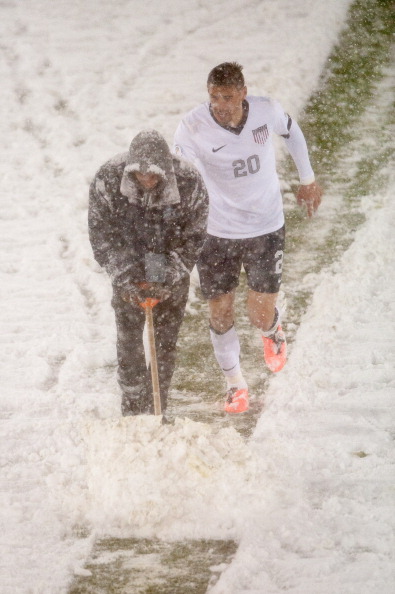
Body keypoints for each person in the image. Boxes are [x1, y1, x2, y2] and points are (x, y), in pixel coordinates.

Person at [174, 62, 322, 414]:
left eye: (227, 97)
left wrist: (308, 179)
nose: (220, 105)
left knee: (258, 313)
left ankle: (271, 330)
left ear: (243, 93)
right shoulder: (193, 127)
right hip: (217, 233)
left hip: (265, 227)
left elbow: (291, 131)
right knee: (220, 311)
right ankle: (235, 386)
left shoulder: (266, 111)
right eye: (213, 98)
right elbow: (183, 174)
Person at [88, 130, 209, 416]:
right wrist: (126, 278)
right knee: (129, 340)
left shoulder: (189, 183)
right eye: (140, 175)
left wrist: (165, 278)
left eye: (154, 176)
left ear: (166, 170)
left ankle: (157, 406)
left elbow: (194, 238)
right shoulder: (108, 178)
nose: (146, 181)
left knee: (164, 343)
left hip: (168, 256)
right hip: (127, 255)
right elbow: (101, 236)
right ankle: (132, 408)